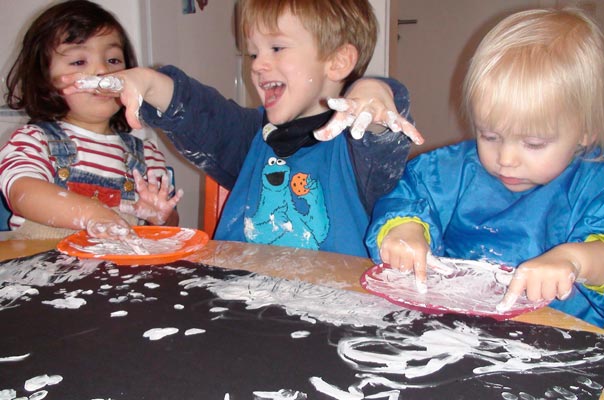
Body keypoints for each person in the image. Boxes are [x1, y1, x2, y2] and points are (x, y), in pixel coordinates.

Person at [64, 0, 423, 257]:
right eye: (253, 54)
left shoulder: (356, 147)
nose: (258, 65)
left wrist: (375, 92)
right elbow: (200, 113)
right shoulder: (250, 136)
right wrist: (148, 82)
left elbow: (381, 133)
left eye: (277, 48)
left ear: (338, 61)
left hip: (331, 318)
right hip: (238, 307)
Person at [366, 8, 604, 327]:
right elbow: (408, 198)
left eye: (533, 144)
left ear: (584, 132)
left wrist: (575, 260)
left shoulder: (591, 184)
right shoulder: (451, 171)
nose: (506, 158)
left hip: (560, 338)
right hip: (456, 330)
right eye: (489, 135)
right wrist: (404, 230)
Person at [0, 0, 182, 240]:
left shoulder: (146, 155)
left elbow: (169, 230)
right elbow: (23, 194)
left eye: (113, 60)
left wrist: (161, 218)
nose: (102, 72)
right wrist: (91, 213)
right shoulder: (33, 142)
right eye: (79, 62)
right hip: (42, 271)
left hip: (115, 274)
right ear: (45, 79)